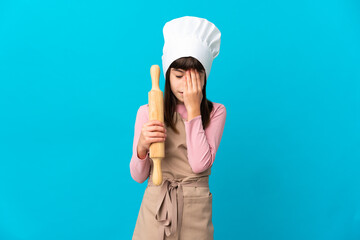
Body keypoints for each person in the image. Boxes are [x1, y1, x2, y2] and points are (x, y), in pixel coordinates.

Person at [130, 16, 226, 240]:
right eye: (179, 76)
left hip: (195, 205)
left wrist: (194, 111)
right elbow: (137, 175)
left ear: (205, 77)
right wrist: (142, 147)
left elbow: (199, 164)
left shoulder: (216, 112)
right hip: (157, 205)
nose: (185, 86)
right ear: (167, 76)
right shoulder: (148, 111)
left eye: (194, 78)